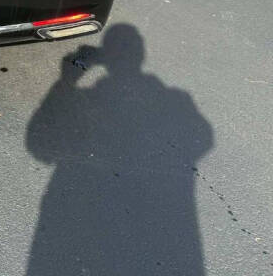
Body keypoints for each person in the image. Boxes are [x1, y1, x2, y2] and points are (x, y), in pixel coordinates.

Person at [25, 24, 213, 275]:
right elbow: (203, 137)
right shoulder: (176, 99)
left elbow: (39, 146)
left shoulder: (88, 98)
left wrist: (66, 80)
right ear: (141, 56)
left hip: (83, 211)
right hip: (153, 218)